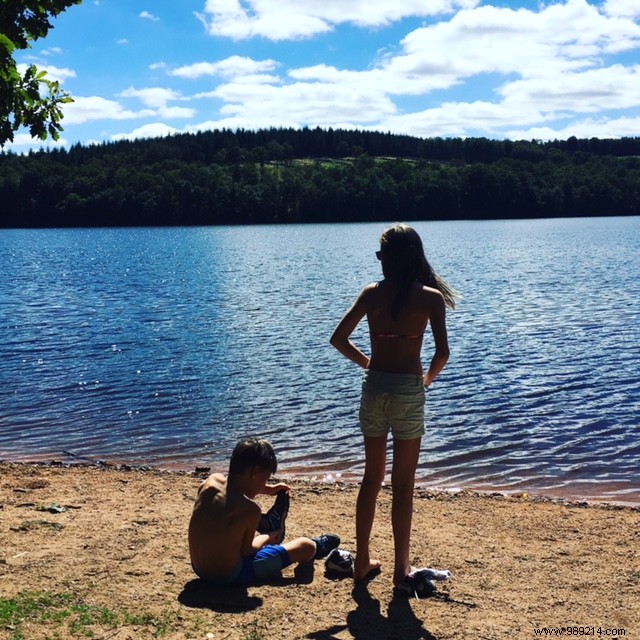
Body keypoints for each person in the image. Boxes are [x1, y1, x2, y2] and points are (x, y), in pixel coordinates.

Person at [330, 223, 457, 588]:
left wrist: (369, 363)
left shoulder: (371, 294)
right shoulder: (430, 298)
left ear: (387, 259)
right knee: (403, 485)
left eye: (379, 254)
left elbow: (338, 339)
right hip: (407, 391)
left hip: (374, 390)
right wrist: (425, 382)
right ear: (416, 257)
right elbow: (443, 353)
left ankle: (363, 562)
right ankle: (402, 571)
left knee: (371, 479)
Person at [188, 437, 340, 587]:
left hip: (199, 568)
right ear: (255, 472)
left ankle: (268, 525)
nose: (266, 483)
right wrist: (267, 537)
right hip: (229, 575)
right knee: (306, 546)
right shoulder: (250, 510)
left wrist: (270, 490)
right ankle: (316, 546)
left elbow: (231, 491)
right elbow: (247, 552)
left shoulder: (210, 482)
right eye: (266, 479)